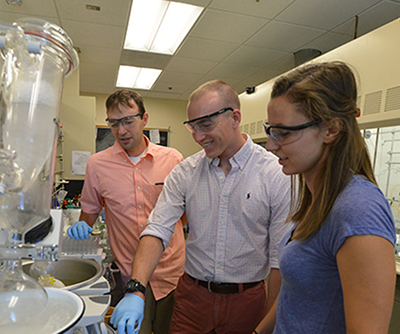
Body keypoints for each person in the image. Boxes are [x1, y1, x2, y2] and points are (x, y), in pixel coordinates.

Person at [111, 80, 291, 334]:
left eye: (205, 125)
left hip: (247, 300)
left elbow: (279, 264)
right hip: (193, 299)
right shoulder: (185, 172)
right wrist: (136, 288)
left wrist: (270, 326)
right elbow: (157, 229)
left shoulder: (274, 174)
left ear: (235, 117)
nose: (197, 137)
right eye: (192, 127)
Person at [254, 61, 396, 334]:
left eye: (283, 133)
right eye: (270, 131)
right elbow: (294, 294)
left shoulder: (358, 208)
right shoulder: (316, 199)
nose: (271, 145)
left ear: (331, 130)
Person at [66, 89, 186, 334]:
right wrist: (82, 227)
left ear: (144, 119)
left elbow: (185, 215)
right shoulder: (98, 165)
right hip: (130, 278)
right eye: (114, 123)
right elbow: (89, 212)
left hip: (173, 275)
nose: (121, 131)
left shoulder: (172, 159)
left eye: (128, 121)